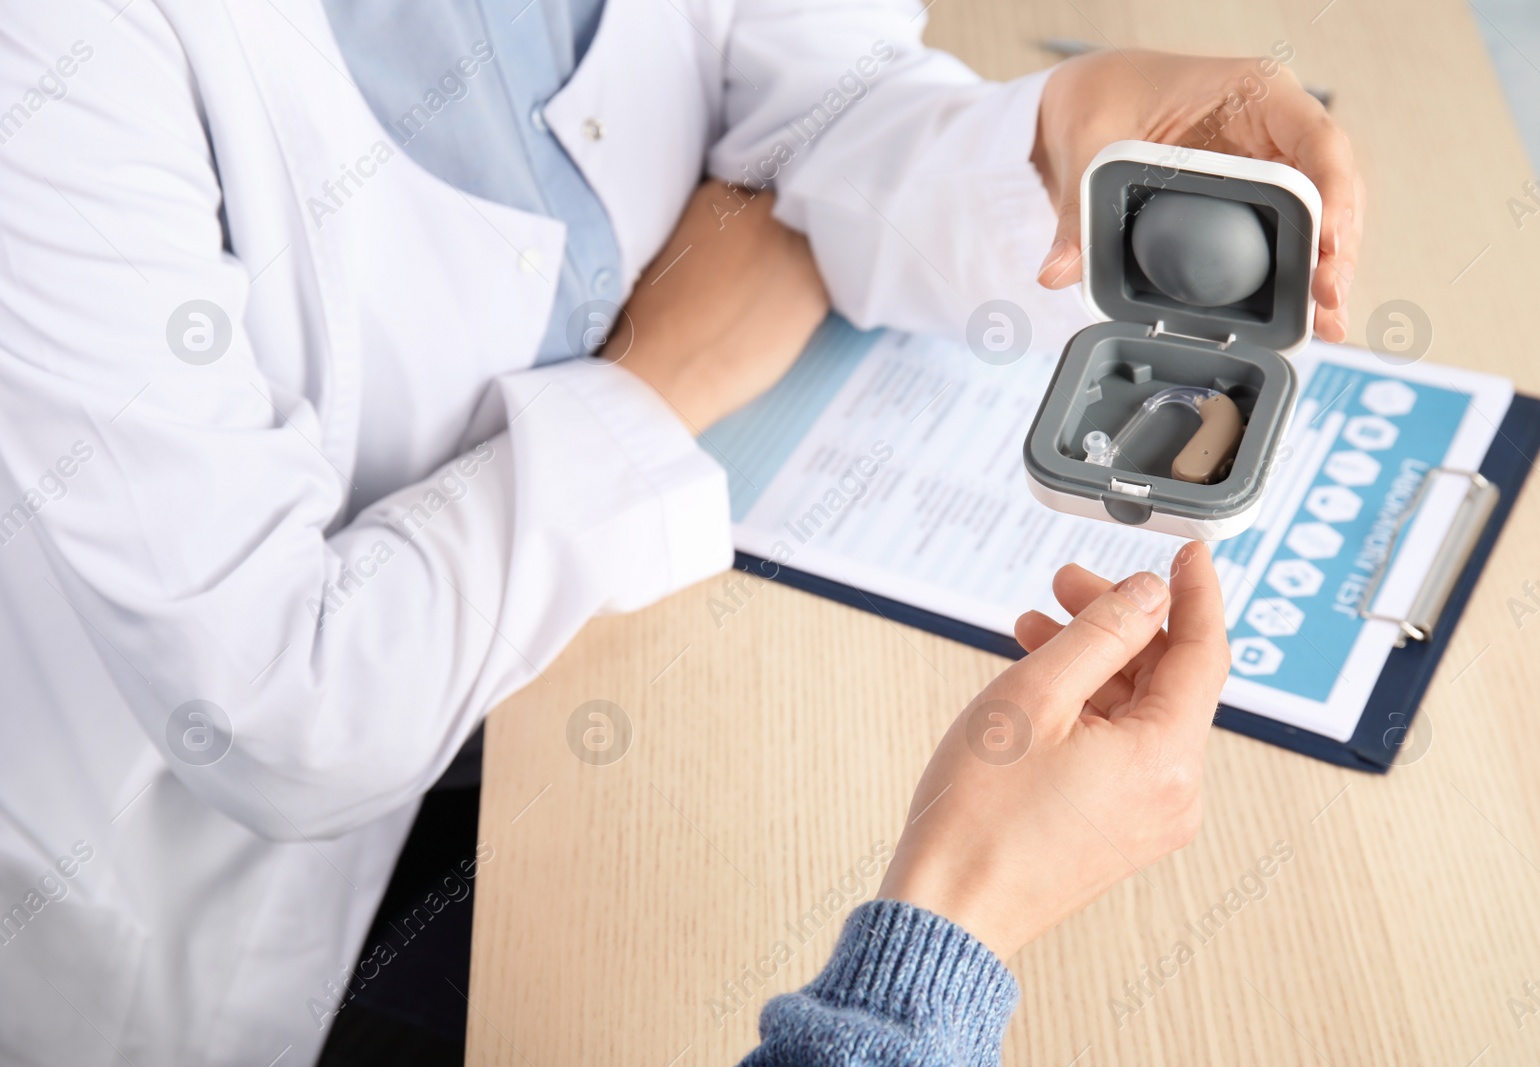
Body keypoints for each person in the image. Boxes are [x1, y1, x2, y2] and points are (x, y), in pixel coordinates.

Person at [0, 0, 1361, 1062]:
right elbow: (276, 708)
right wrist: (663, 379)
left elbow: (817, 117)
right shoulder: (59, 58)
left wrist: (1050, 125)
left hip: (594, 663)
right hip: (273, 880)